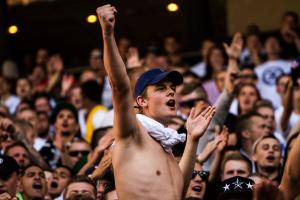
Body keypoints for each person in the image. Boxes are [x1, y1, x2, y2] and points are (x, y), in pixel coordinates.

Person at [96, 5, 215, 199]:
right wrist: (108, 35)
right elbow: (120, 86)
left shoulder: (165, 143)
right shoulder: (133, 131)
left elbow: (178, 191)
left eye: (172, 89)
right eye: (161, 88)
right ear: (141, 101)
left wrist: (192, 139)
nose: (170, 92)